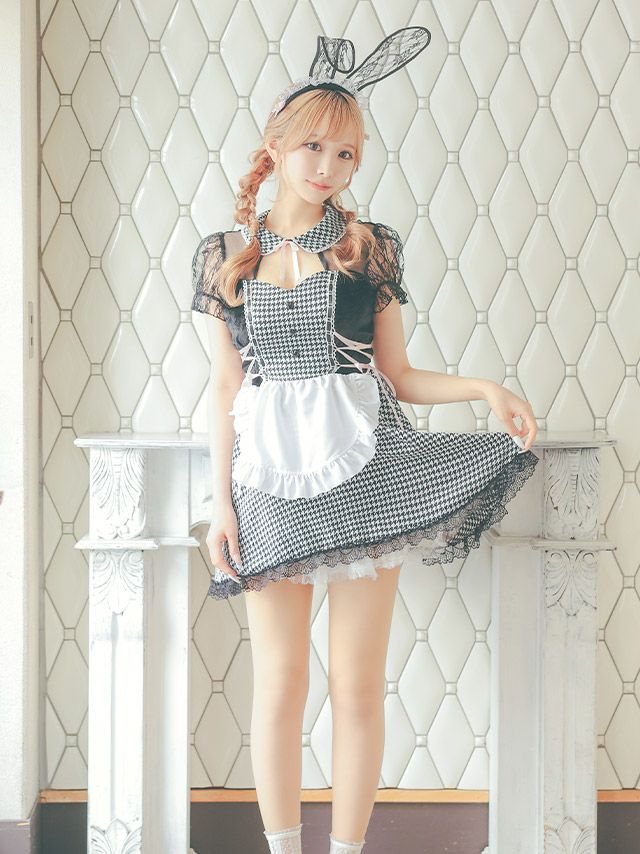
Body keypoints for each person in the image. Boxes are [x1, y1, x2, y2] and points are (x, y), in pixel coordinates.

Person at [190, 28, 539, 854]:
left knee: (355, 685)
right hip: (267, 484)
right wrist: (220, 504)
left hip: (371, 471)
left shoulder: (368, 246)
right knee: (279, 685)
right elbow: (225, 391)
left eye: (345, 153)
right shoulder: (223, 255)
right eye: (313, 146)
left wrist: (485, 389)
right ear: (277, 145)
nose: (328, 167)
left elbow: (400, 375)